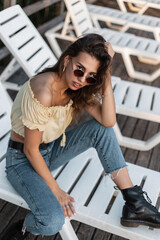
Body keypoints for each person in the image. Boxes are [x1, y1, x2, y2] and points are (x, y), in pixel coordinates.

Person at [5, 33, 160, 239]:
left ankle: (135, 203)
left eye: (91, 76)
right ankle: (23, 227)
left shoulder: (76, 88)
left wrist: (107, 71)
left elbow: (108, 121)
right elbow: (30, 150)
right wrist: (57, 190)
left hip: (51, 150)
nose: (82, 79)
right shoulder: (43, 91)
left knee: (101, 130)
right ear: (67, 59)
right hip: (23, 162)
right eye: (79, 69)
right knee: (52, 221)